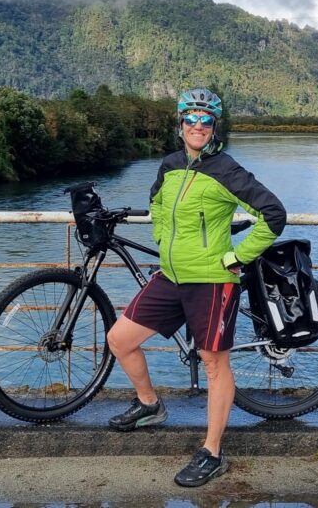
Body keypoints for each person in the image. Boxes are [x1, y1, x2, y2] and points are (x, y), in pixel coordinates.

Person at [105, 87, 287, 487]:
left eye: (206, 121)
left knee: (213, 363)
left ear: (215, 127)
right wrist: (161, 237)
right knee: (120, 339)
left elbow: (273, 214)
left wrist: (237, 258)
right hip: (170, 276)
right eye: (191, 119)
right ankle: (150, 405)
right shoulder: (169, 165)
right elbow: (155, 203)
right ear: (181, 124)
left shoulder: (226, 169)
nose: (198, 126)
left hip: (212, 281)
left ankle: (212, 451)